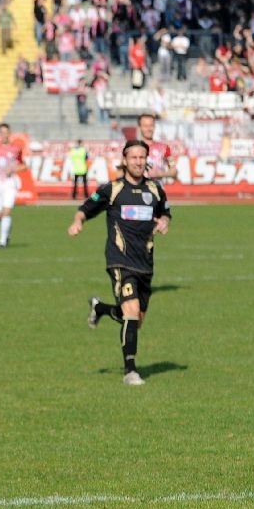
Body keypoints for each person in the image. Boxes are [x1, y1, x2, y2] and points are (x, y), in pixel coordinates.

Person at [68, 139, 172, 386]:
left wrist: (164, 221)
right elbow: (85, 208)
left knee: (135, 319)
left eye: (142, 157)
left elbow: (165, 212)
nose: (138, 162)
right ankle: (130, 371)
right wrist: (78, 221)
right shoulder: (112, 189)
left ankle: (100, 309)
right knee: (131, 312)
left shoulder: (155, 189)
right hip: (120, 260)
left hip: (145, 263)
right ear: (124, 160)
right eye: (133, 157)